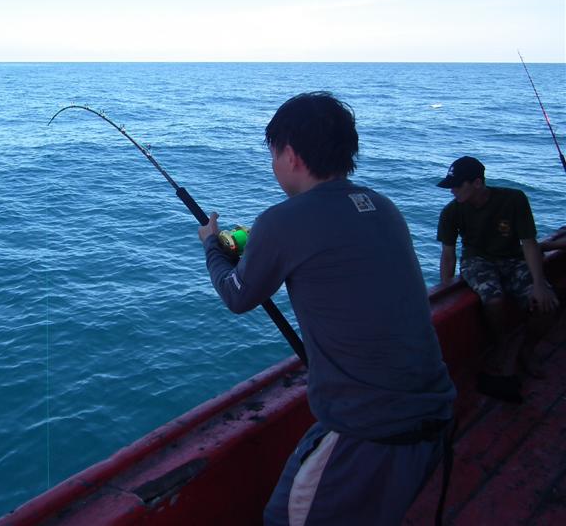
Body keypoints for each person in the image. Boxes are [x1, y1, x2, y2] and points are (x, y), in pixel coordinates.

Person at [198, 92, 456, 526]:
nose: (273, 163)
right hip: (435, 415)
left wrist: (211, 245)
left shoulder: (282, 221)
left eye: (274, 153)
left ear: (292, 155)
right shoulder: (383, 207)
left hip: (371, 432)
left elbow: (238, 296)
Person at [436, 156, 560, 402]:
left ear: (478, 183)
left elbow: (529, 243)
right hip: (477, 260)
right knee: (493, 299)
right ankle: (502, 345)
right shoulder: (451, 212)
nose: (452, 190)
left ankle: (527, 349)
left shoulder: (514, 200)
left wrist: (538, 284)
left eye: (458, 185)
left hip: (514, 259)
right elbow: (448, 255)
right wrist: (445, 290)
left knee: (549, 305)